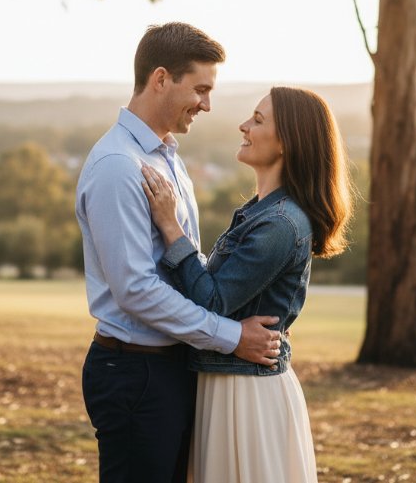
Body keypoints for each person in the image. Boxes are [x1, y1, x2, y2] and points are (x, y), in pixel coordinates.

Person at [75, 22, 281, 483]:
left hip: (169, 367)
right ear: (161, 79)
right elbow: (136, 290)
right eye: (201, 89)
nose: (208, 105)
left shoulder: (166, 155)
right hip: (135, 374)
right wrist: (232, 336)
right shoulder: (117, 167)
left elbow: (184, 263)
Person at [139, 86, 353, 483]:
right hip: (227, 382)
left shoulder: (279, 223)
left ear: (288, 141)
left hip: (245, 394)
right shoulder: (261, 212)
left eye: (257, 120)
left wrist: (170, 227)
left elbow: (213, 299)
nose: (244, 126)